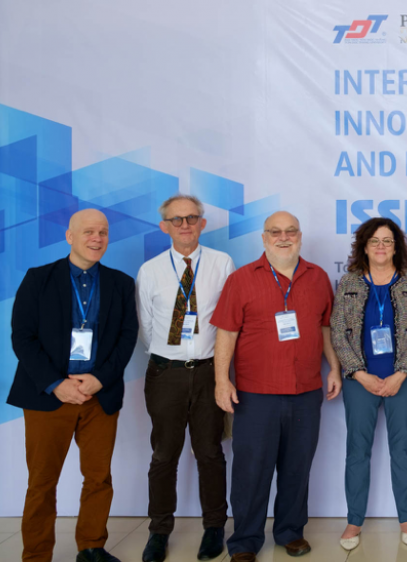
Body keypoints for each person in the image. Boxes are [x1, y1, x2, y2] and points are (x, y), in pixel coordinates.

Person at [8, 209, 139, 562]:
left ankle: (92, 547)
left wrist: (99, 378)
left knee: (99, 478)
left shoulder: (121, 283)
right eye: (89, 232)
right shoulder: (38, 278)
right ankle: (36, 555)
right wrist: (55, 384)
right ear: (70, 236)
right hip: (49, 397)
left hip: (100, 396)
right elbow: (22, 337)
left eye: (104, 232)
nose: (97, 238)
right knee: (41, 483)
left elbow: (127, 338)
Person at [211, 211, 342, 562]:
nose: (284, 237)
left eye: (291, 231)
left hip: (305, 391)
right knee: (251, 469)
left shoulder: (317, 277)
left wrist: (334, 368)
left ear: (300, 236)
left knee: (297, 467)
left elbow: (325, 327)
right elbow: (226, 331)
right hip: (256, 394)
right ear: (264, 238)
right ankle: (245, 540)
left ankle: (290, 532)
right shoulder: (241, 279)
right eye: (276, 232)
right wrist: (221, 380)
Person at [135, 195, 235, 562]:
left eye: (192, 218)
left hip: (210, 372)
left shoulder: (222, 263)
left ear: (202, 223)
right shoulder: (151, 270)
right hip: (166, 373)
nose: (185, 225)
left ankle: (214, 528)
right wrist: (174, 354)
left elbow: (229, 321)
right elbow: (146, 327)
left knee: (210, 453)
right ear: (165, 226)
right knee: (164, 455)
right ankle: (159, 531)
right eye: (176, 220)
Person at [330, 218, 407, 550]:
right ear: (363, 246)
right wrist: (358, 373)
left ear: (397, 246)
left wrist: (402, 372)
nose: (381, 247)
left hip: (404, 378)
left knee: (402, 448)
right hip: (361, 379)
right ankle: (354, 520)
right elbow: (338, 332)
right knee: (357, 450)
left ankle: (406, 518)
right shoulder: (349, 283)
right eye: (374, 241)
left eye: (388, 241)